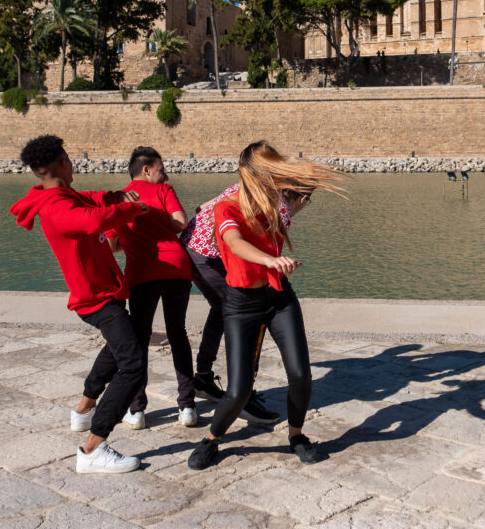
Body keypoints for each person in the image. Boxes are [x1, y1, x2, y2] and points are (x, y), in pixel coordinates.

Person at [187, 140, 341, 470]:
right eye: (270, 177)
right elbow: (235, 242)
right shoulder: (226, 208)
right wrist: (270, 261)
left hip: (279, 298)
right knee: (239, 391)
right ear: (253, 177)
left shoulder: (273, 205)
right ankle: (212, 438)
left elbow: (296, 195)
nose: (275, 185)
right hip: (242, 305)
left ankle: (297, 436)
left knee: (301, 375)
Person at [9, 135, 148, 474]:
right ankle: (93, 448)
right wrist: (132, 208)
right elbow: (92, 220)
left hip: (103, 293)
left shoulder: (60, 195)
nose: (72, 164)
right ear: (61, 164)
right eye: (68, 159)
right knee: (133, 364)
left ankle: (84, 411)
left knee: (118, 350)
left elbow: (91, 200)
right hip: (94, 298)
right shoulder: (57, 206)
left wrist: (117, 195)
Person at [179, 181, 312, 425]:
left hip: (191, 243)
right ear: (302, 199)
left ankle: (204, 378)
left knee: (222, 309)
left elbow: (209, 206)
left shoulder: (250, 186)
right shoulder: (280, 207)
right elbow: (257, 251)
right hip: (208, 255)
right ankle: (243, 395)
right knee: (249, 313)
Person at [104, 146, 197, 428]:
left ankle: (137, 410)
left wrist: (133, 233)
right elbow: (180, 222)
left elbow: (113, 245)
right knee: (177, 333)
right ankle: (188, 407)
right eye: (160, 168)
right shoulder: (164, 191)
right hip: (177, 268)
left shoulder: (118, 201)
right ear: (147, 170)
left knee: (140, 339)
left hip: (141, 273)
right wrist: (161, 225)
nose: (164, 173)